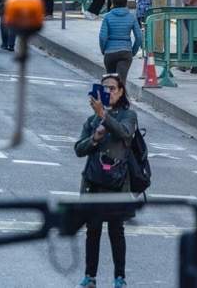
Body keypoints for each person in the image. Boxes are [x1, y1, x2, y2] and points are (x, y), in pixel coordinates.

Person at [74, 73, 137, 288]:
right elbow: (78, 149)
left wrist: (105, 117)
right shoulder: (91, 120)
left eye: (112, 89)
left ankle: (120, 277)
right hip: (93, 183)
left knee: (116, 231)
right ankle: (90, 276)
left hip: (117, 184)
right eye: (104, 89)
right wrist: (94, 138)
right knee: (92, 231)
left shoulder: (128, 116)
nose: (108, 92)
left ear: (121, 92)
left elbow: (125, 133)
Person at [99, 0, 143, 81]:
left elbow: (102, 37)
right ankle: (121, 94)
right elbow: (139, 37)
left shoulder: (107, 17)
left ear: (112, 2)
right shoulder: (132, 17)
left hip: (110, 52)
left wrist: (104, 50)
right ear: (126, 2)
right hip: (126, 52)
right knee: (121, 82)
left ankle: (111, 94)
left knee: (111, 82)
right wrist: (133, 51)